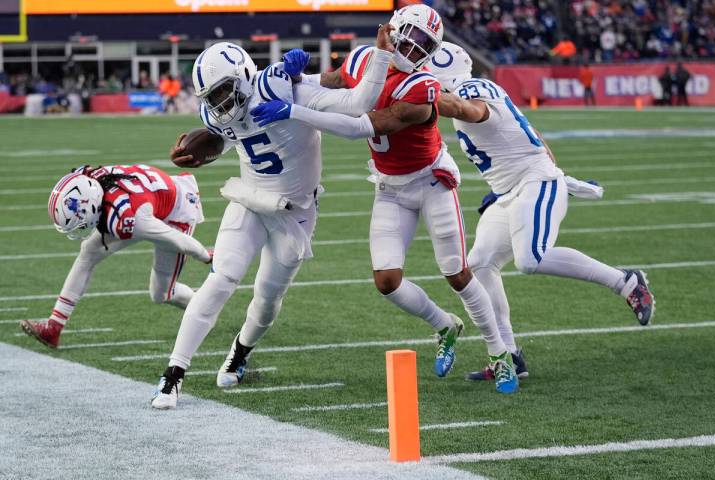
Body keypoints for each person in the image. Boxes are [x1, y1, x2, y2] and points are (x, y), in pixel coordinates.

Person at [252, 5, 520, 395]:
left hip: (431, 183)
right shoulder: (363, 58)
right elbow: (328, 81)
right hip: (390, 186)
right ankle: (445, 325)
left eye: (424, 43)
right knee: (387, 281)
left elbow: (363, 124)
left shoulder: (421, 88)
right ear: (391, 30)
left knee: (457, 273)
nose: (412, 47)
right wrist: (292, 76)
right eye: (409, 35)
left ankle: (500, 353)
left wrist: (295, 110)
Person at [151, 28, 396, 409]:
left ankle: (240, 351)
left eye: (222, 91)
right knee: (221, 280)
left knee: (266, 299)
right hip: (249, 199)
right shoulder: (215, 111)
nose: (218, 103)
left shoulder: (286, 90)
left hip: (294, 212)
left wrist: (380, 56)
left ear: (244, 75)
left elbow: (359, 101)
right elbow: (229, 136)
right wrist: (203, 152)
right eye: (211, 96)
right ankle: (173, 375)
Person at [426, 42, 655, 380]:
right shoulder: (471, 88)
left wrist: (422, 96)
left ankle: (625, 282)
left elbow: (470, 110)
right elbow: (534, 139)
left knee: (531, 258)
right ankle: (508, 355)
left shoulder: (468, 90)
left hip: (534, 183)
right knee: (477, 266)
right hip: (509, 191)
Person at [20, 165, 210, 348]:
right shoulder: (92, 180)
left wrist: (205, 255)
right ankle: (54, 327)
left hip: (178, 210)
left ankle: (206, 308)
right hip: (145, 197)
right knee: (88, 252)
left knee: (161, 293)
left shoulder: (131, 217)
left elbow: (176, 239)